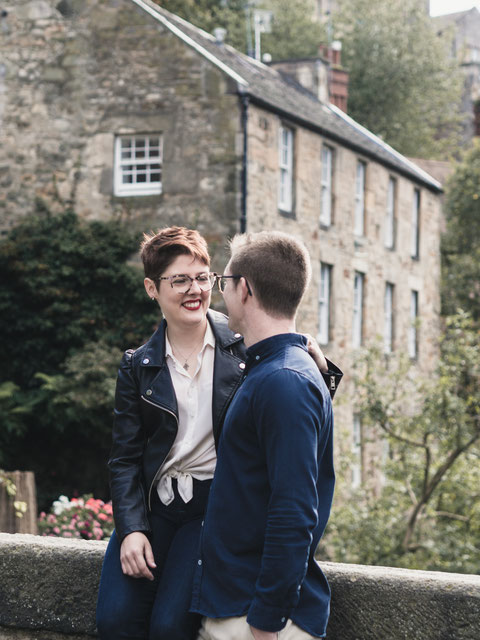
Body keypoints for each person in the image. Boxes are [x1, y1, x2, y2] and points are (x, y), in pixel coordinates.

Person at [96, 226, 342, 640]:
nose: (195, 290)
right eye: (179, 280)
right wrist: (133, 528)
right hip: (154, 509)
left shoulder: (247, 348)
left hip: (209, 511)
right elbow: (124, 458)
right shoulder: (137, 366)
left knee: (170, 626)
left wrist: (322, 366)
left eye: (203, 278)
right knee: (115, 621)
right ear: (151, 288)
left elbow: (291, 402)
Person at [191, 231, 336, 640]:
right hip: (240, 607)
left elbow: (294, 510)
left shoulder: (283, 379)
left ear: (246, 290)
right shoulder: (281, 370)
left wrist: (265, 622)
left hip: (253, 620)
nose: (219, 294)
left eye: (223, 282)